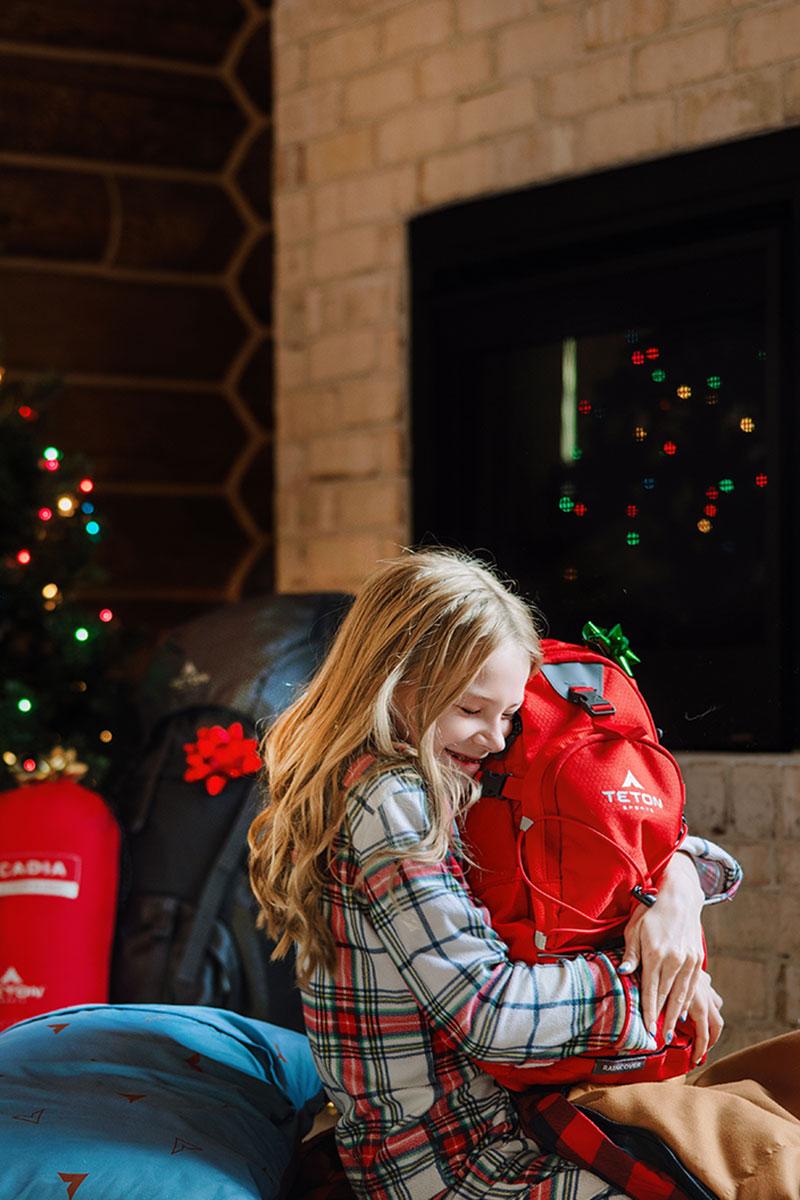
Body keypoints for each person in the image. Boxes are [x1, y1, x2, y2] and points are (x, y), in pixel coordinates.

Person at [248, 548, 738, 1200]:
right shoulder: (387, 802)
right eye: (473, 710)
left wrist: (675, 882)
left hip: (519, 1117)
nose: (494, 739)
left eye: (509, 715)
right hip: (450, 1161)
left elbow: (616, 834)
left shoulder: (441, 768)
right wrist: (654, 997)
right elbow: (490, 1013)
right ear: (393, 681)